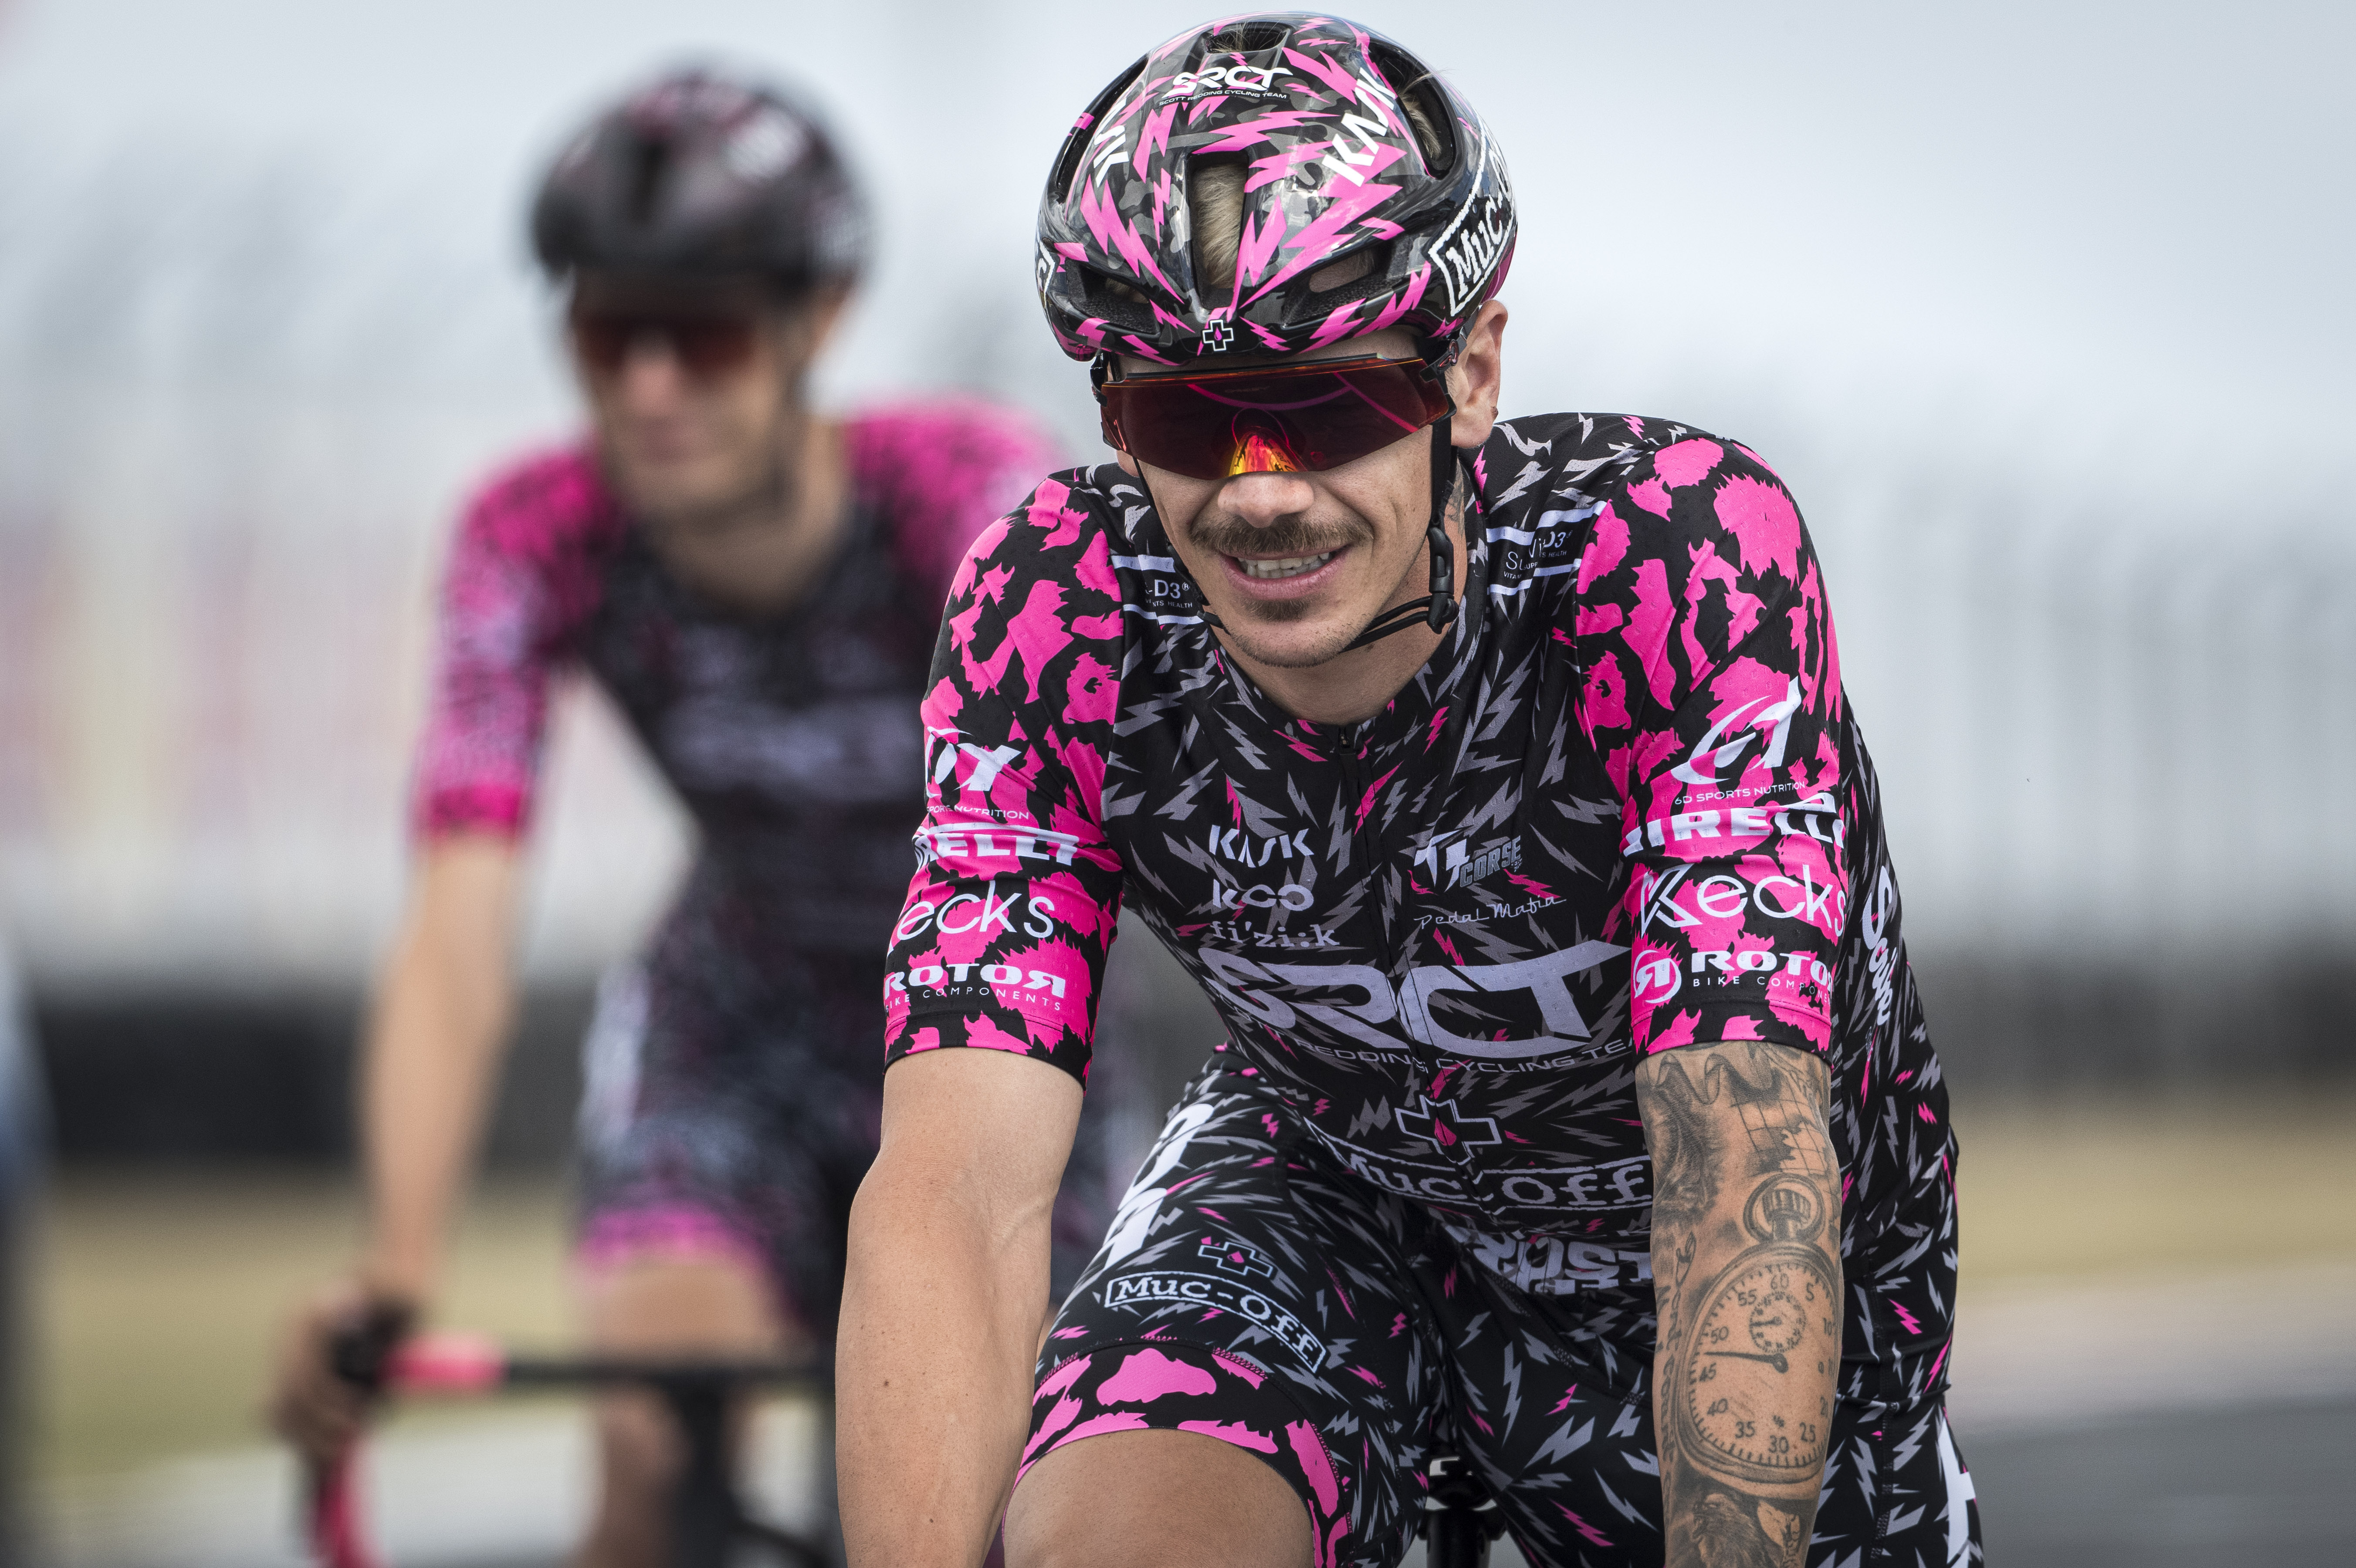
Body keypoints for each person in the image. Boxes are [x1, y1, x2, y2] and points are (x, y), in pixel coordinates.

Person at [838, 14, 1979, 1568]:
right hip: (1331, 1197)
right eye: (1187, 416)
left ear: (1471, 373)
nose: (1263, 490)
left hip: (1683, 1247)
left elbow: (1741, 1153)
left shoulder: (1675, 561)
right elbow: (956, 1191)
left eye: (1325, 404)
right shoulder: (1056, 608)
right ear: (1114, 423)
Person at [270, 68, 1115, 1567]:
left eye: (707, 336)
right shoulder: (536, 534)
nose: (652, 387)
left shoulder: (971, 502)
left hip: (1000, 1015)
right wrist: (392, 1274)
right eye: (611, 336)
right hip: (737, 1022)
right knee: (654, 1442)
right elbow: (459, 924)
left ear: (818, 321)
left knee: (1006, 1495)